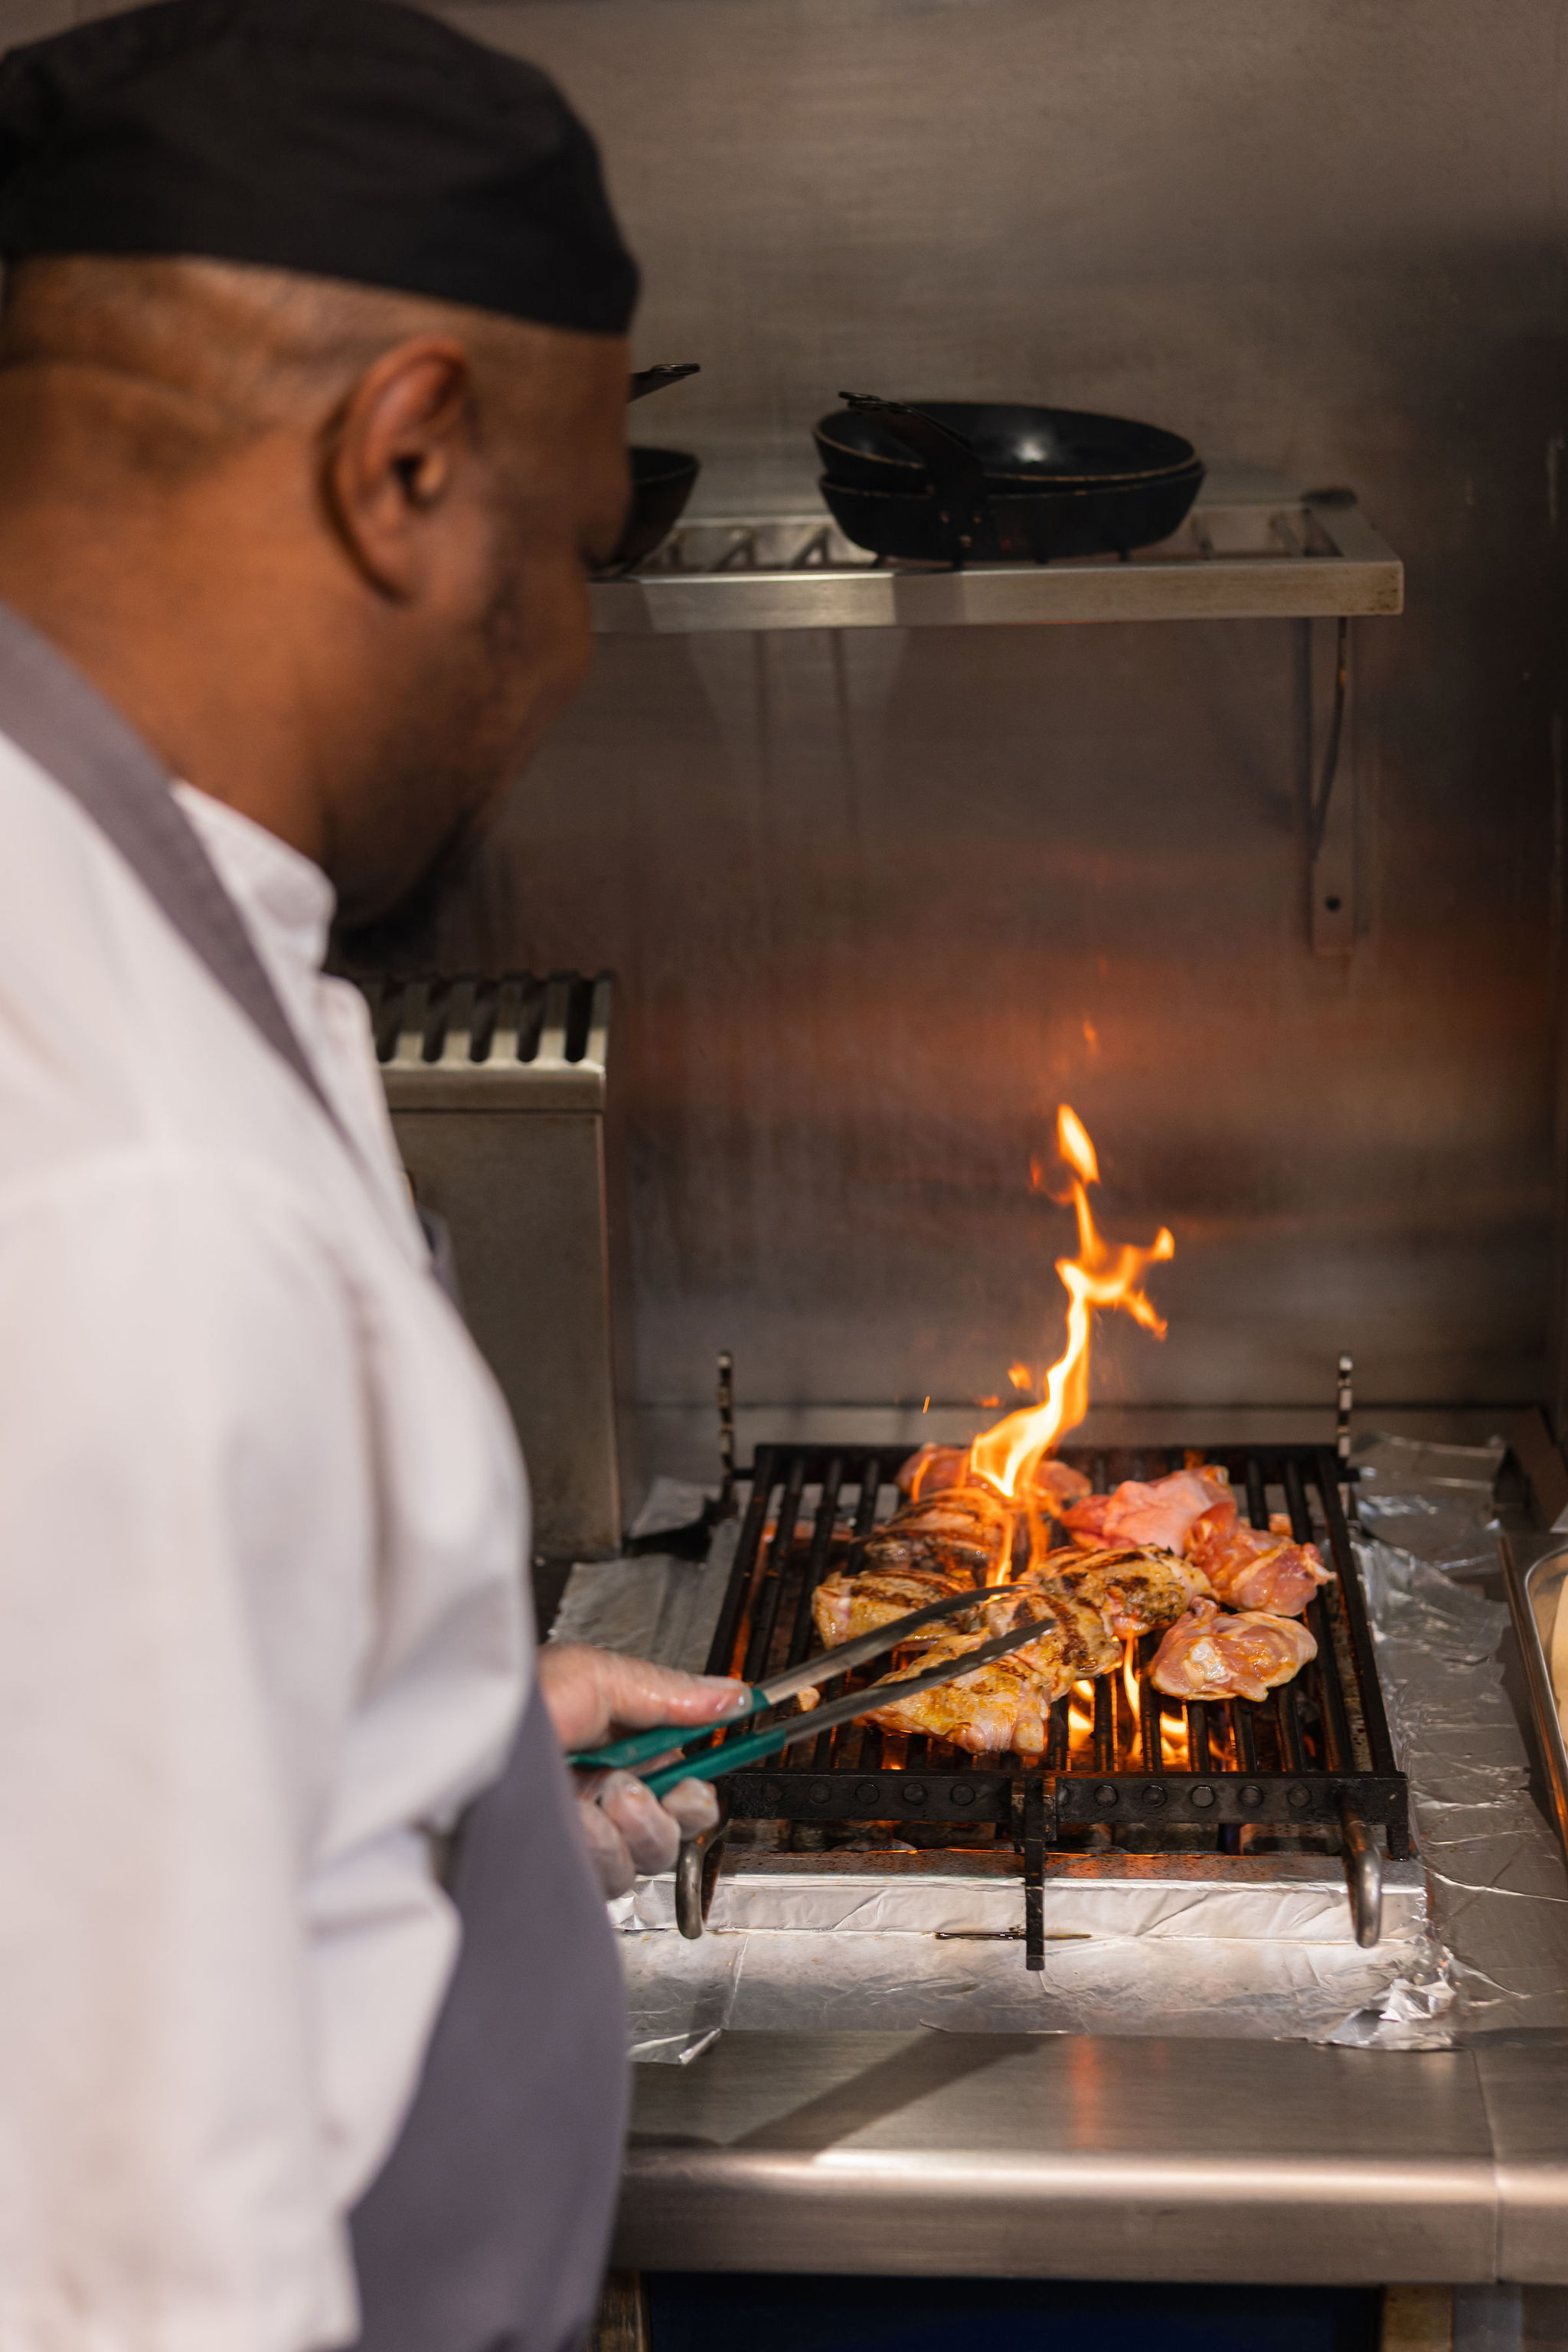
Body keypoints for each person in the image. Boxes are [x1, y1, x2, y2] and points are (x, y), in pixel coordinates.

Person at [0, 5, 746, 2350]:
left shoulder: (129, 919)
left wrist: (422, 1719)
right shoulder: (125, 1181)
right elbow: (116, 2280)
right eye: (579, 557)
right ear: (405, 456)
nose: (562, 661)